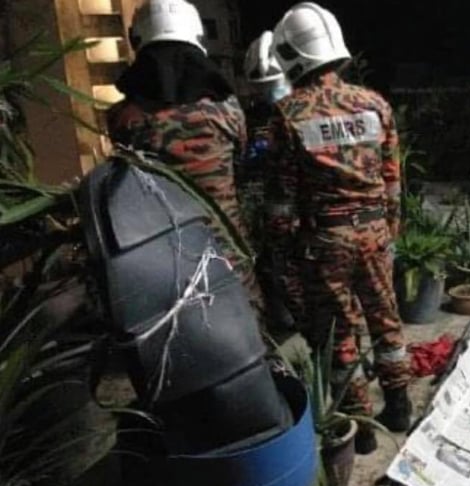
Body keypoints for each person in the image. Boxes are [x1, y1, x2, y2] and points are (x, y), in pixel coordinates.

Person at [270, 2, 410, 454]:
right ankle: (400, 406)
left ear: (291, 54)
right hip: (374, 231)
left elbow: (282, 198)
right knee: (385, 320)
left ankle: (361, 428)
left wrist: (281, 247)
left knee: (340, 334)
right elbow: (393, 181)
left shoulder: (288, 112)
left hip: (325, 240)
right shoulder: (375, 104)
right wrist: (388, 232)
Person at [107, 0, 264, 314]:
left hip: (167, 262)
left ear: (138, 42)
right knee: (247, 329)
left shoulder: (124, 118)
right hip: (228, 255)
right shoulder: (228, 110)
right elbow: (239, 161)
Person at [239, 31, 301, 339]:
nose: (269, 95)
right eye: (263, 89)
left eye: (273, 87)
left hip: (301, 214)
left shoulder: (303, 113)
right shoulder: (248, 117)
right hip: (262, 211)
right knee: (270, 269)